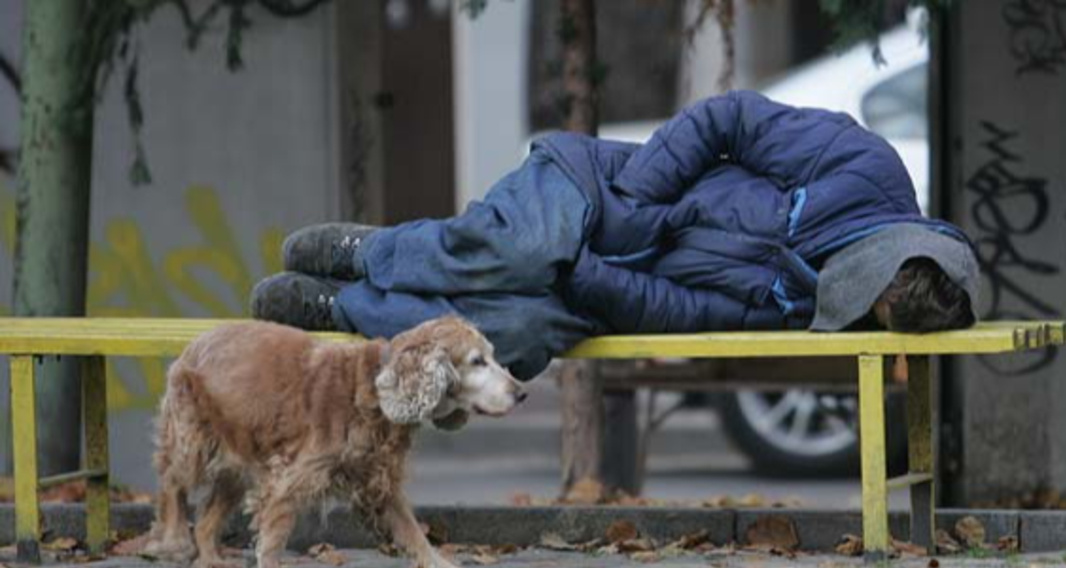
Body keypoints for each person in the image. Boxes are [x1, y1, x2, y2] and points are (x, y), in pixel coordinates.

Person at [251, 91, 979, 381]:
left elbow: (684, 312)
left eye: (865, 311)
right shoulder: (863, 166)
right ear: (892, 246)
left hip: (600, 285)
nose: (845, 301)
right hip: (597, 189)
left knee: (515, 332)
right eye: (864, 291)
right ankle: (367, 254)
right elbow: (727, 119)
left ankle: (342, 309)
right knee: (523, 247)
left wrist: (592, 281)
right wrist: (639, 195)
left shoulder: (810, 307)